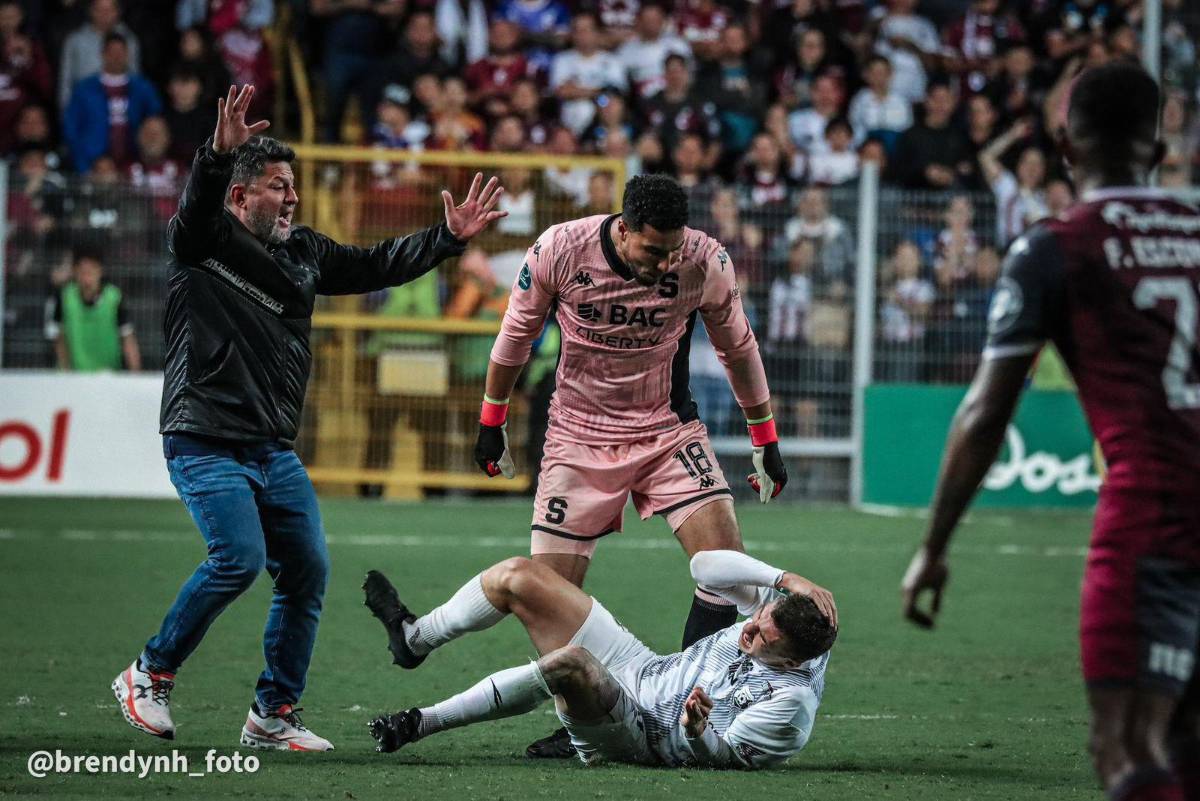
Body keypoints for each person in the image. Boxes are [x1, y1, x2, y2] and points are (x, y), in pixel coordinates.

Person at [110, 84, 506, 751]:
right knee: (237, 556)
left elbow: (377, 261)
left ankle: (272, 714)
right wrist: (215, 155)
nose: (292, 196)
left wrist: (446, 239)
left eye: (292, 185)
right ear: (239, 196)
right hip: (203, 436)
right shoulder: (202, 240)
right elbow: (191, 213)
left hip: (270, 447)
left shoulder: (306, 253)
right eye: (276, 185)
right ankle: (148, 673)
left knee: (306, 572)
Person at [900, 62, 1200, 801]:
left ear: (1066, 147)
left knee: (1128, 746)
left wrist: (934, 549)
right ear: (1160, 152)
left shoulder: (1056, 246)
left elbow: (985, 411)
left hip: (1155, 515)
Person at [472, 174, 790, 758]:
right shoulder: (560, 250)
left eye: (673, 249)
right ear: (623, 229)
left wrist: (764, 436)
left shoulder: (704, 261)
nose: (666, 262)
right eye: (653, 250)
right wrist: (491, 421)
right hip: (577, 436)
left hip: (667, 432)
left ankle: (690, 701)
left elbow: (738, 347)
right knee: (549, 596)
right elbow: (515, 334)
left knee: (731, 574)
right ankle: (585, 726)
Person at [362, 549, 837, 768]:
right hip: (642, 666)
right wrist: (786, 578)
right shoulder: (798, 622)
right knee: (519, 576)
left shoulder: (789, 706)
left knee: (572, 664)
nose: (746, 629)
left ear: (791, 662)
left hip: (638, 731)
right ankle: (414, 638)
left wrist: (697, 732)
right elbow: (704, 567)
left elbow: (726, 759)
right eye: (757, 618)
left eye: (759, 638)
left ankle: (418, 723)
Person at [46, 246, 141, 372]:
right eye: (82, 272)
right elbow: (59, 338)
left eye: (91, 272)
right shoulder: (64, 297)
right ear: (75, 272)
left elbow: (128, 339)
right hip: (74, 375)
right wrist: (65, 371)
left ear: (100, 271)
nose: (87, 278)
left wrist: (136, 375)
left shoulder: (114, 297)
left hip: (108, 374)